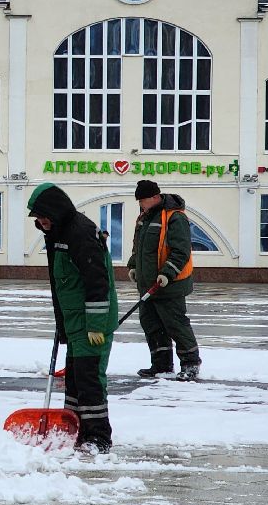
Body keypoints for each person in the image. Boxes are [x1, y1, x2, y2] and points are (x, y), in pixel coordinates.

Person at [27, 182, 119, 453]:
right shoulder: (57, 232)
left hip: (91, 322)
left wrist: (96, 324)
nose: (40, 221)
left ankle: (99, 438)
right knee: (76, 380)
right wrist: (62, 325)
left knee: (90, 380)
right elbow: (62, 286)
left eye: (43, 215)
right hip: (75, 321)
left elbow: (97, 280)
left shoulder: (79, 233)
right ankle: (76, 431)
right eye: (37, 217)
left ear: (55, 211)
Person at [127, 179, 202, 381]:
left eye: (143, 200)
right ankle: (161, 365)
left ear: (154, 197)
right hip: (147, 286)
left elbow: (181, 250)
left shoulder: (174, 217)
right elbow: (140, 247)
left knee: (175, 324)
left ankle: (190, 364)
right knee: (152, 325)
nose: (140, 204)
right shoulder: (144, 217)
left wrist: (167, 273)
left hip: (170, 285)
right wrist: (133, 265)